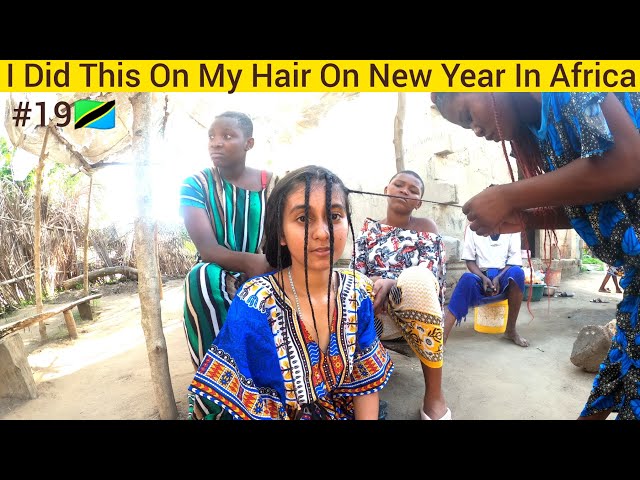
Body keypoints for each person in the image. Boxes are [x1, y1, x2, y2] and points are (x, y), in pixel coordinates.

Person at [430, 91, 640, 420]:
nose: (476, 130)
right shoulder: (538, 131)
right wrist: (528, 218)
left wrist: (511, 196)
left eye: (469, 114)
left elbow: (627, 164)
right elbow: (592, 201)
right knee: (612, 387)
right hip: (636, 278)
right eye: (465, 126)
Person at [188, 165, 394, 420]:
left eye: (335, 216)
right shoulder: (257, 303)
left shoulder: (356, 292)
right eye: (303, 218)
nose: (323, 232)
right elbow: (252, 406)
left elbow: (365, 384)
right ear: (281, 234)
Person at [179, 111, 278, 420]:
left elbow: (281, 234)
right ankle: (217, 403)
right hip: (220, 266)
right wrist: (253, 263)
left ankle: (269, 393)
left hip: (268, 264)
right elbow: (207, 248)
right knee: (203, 280)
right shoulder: (195, 184)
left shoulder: (271, 184)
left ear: (248, 143)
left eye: (227, 136)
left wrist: (269, 263)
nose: (216, 144)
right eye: (211, 137)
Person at [352, 170, 451, 420]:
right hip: (374, 312)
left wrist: (392, 281)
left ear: (418, 202)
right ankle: (351, 386)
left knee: (416, 278)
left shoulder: (426, 228)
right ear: (386, 189)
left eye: (413, 190)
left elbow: (431, 273)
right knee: (346, 284)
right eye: (399, 185)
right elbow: (357, 273)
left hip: (416, 312)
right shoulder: (368, 231)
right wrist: (377, 284)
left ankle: (434, 395)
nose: (404, 191)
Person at [443, 224, 527, 347]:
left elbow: (514, 261)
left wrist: (498, 277)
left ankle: (510, 330)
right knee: (466, 280)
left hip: (503, 276)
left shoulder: (512, 226)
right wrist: (483, 278)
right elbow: (470, 261)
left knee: (518, 273)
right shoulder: (473, 227)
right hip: (480, 276)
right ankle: (443, 337)